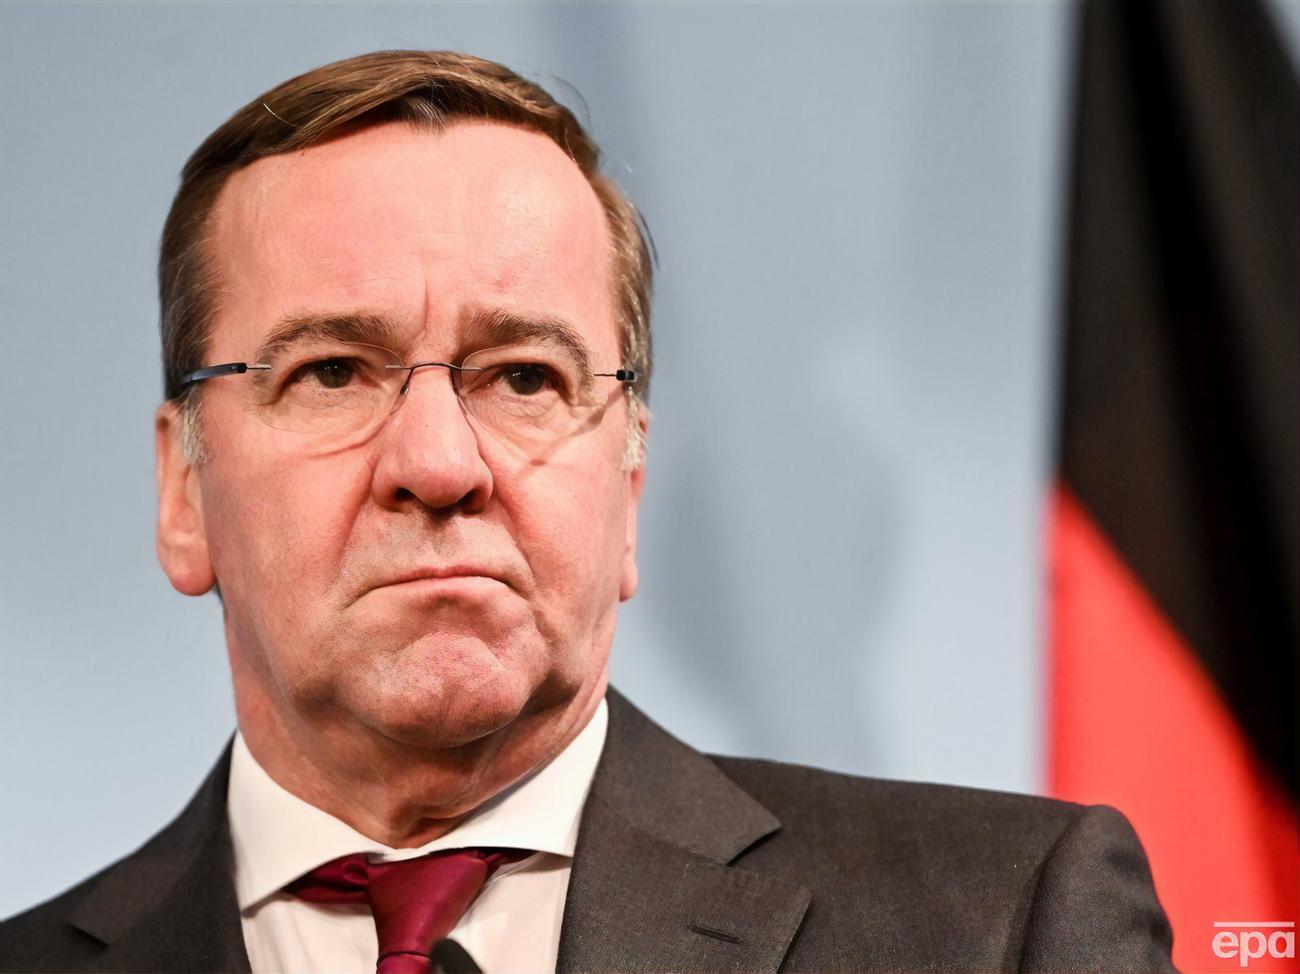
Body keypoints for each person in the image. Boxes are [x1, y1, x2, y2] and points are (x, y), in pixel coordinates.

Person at [0, 50, 1176, 974]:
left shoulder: (1001, 925)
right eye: (332, 372)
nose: (438, 462)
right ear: (184, 490)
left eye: (524, 375)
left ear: (627, 488)